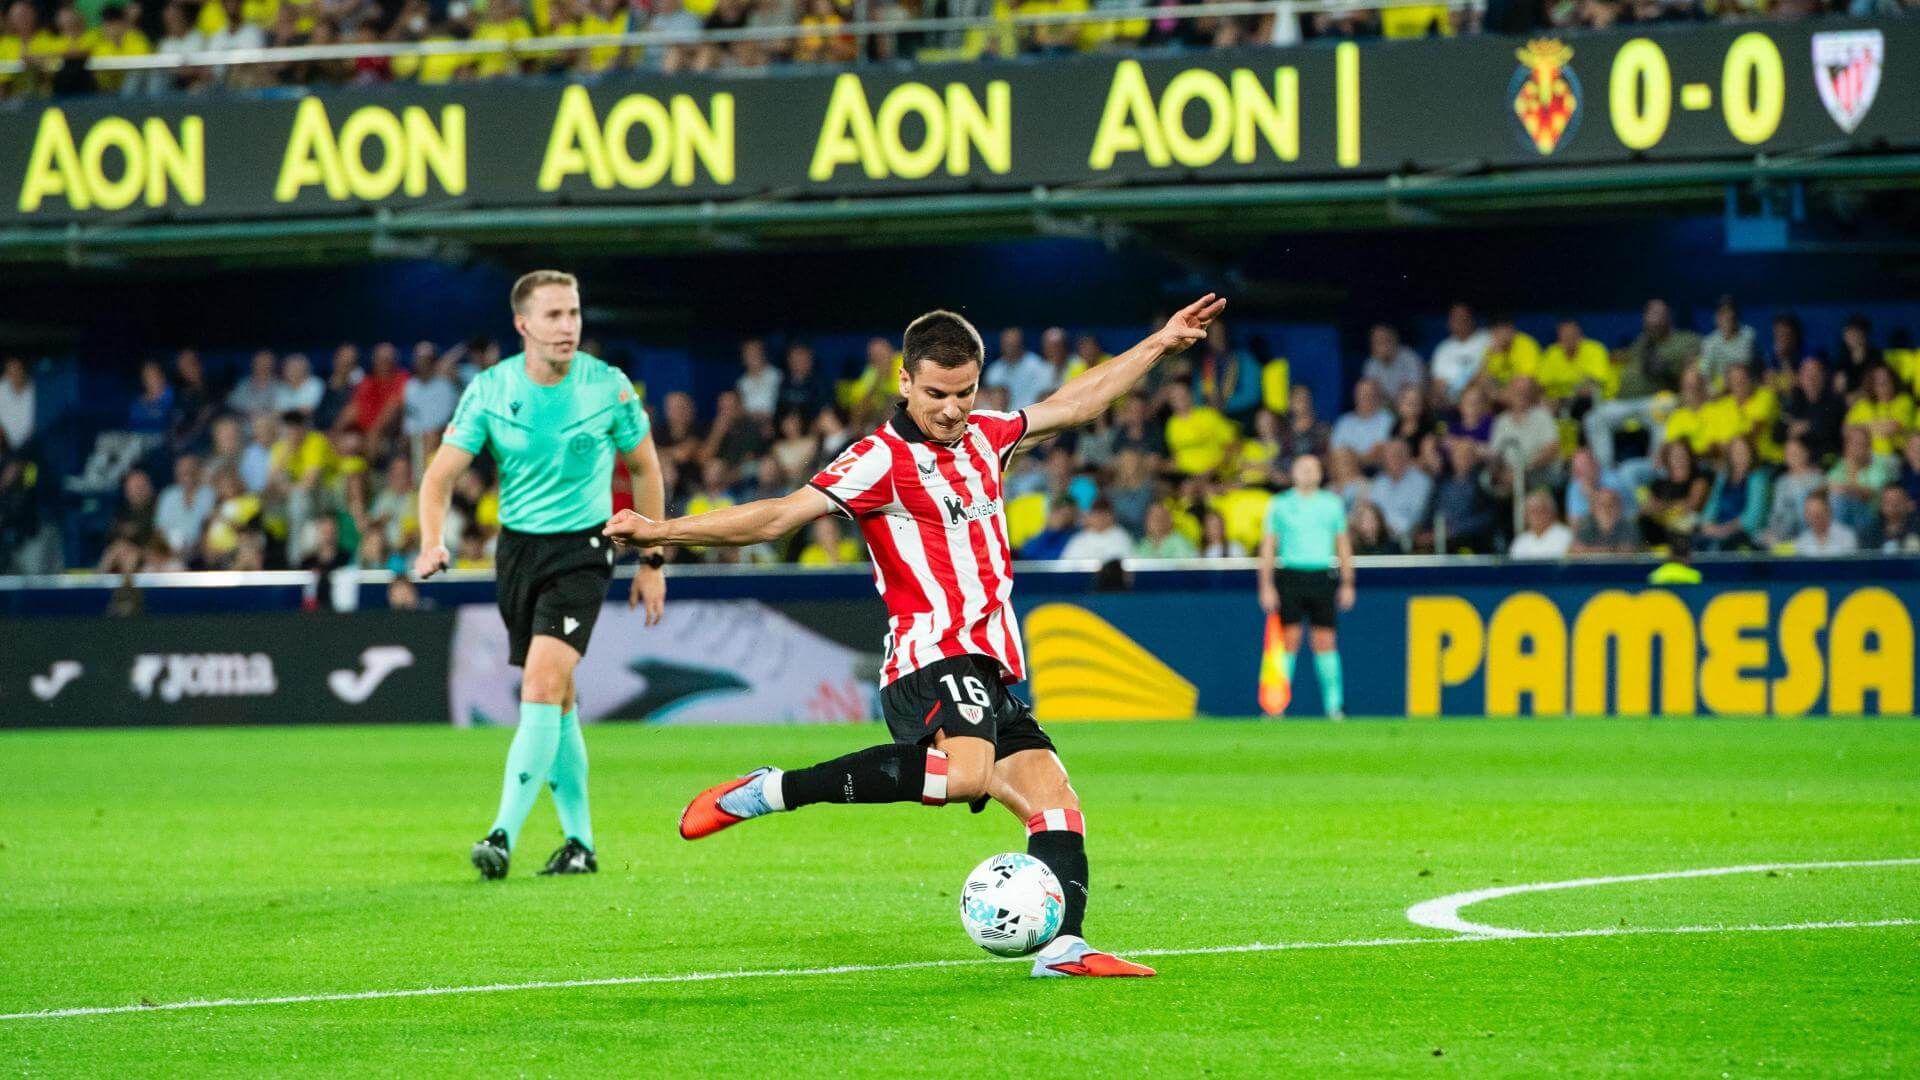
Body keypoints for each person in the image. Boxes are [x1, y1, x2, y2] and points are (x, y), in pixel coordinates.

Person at [605, 294, 1227, 979]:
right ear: (904, 382)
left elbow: (1078, 404)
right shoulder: (879, 460)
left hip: (988, 666)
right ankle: (774, 789)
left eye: (964, 392)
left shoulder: (990, 435)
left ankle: (1063, 949)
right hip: (930, 653)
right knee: (964, 776)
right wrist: (663, 531)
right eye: (937, 393)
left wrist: (1160, 344)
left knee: (1056, 804)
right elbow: (777, 516)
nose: (953, 409)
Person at [415, 270, 668, 881]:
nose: (568, 326)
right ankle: (580, 844)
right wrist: (431, 542)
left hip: (584, 549)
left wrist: (653, 560)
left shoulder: (607, 387)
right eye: (553, 315)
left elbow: (646, 470)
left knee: (540, 685)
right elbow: (439, 477)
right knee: (558, 703)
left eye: (574, 313)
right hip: (518, 554)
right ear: (523, 325)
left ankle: (501, 833)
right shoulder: (490, 389)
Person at [1256, 454, 1355, 719]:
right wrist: (1266, 585)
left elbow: (1343, 545)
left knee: (1325, 641)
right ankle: (1276, 707)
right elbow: (1268, 546)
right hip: (1290, 575)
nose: (1308, 472)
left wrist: (1347, 582)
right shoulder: (1279, 504)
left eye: (1313, 468)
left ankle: (1335, 706)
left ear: (1321, 473)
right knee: (1288, 641)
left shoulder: (1332, 504)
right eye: (1303, 468)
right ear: (1293, 473)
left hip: (1323, 575)